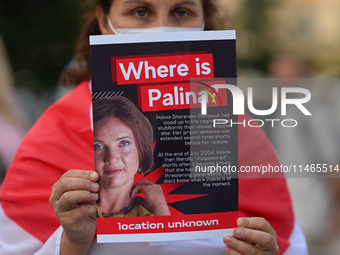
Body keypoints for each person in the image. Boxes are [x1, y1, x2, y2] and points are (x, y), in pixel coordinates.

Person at [0, 0, 307, 254]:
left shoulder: (240, 130)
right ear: (105, 22)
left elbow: (289, 243)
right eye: (141, 12)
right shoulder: (53, 136)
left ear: (205, 22)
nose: (164, 28)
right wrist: (69, 244)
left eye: (181, 12)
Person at [93, 97, 169, 217]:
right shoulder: (71, 208)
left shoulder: (155, 215)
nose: (112, 158)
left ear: (141, 149)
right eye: (98, 146)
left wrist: (161, 208)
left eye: (124, 143)